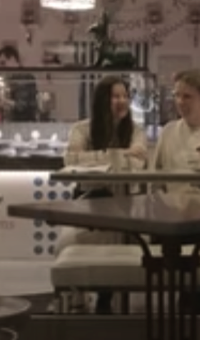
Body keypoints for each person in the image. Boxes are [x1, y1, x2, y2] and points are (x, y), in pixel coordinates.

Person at [59, 75, 147, 313]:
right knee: (68, 242)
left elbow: (139, 161)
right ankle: (79, 298)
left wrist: (97, 158)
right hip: (88, 202)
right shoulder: (82, 128)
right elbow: (71, 159)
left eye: (124, 96)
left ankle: (105, 297)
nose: (122, 101)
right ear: (101, 100)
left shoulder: (136, 130)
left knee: (116, 234)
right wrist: (118, 155)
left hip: (125, 204)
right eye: (115, 96)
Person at [0, 45, 38, 122]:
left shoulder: (23, 77)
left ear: (13, 59)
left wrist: (3, 100)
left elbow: (21, 106)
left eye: (3, 63)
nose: (1, 67)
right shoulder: (13, 78)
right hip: (18, 123)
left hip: (24, 123)